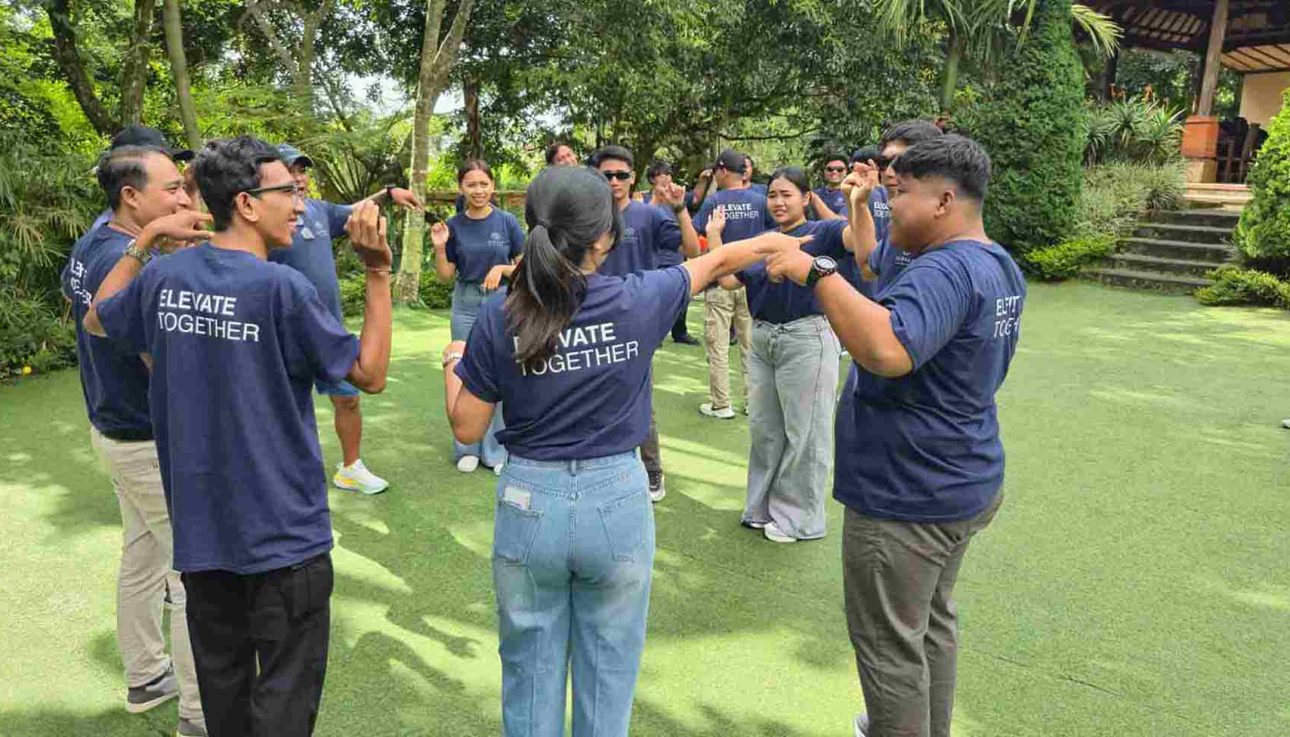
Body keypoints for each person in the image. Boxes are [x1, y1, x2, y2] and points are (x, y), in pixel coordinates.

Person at [441, 165, 808, 737]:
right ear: (605, 237)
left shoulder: (500, 315)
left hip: (528, 500)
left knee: (529, 669)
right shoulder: (639, 299)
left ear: (533, 227)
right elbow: (713, 262)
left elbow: (467, 425)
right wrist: (772, 241)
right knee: (609, 671)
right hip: (616, 501)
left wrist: (452, 361)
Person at [85, 136, 394, 737]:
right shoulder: (280, 289)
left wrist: (142, 244)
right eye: (289, 192)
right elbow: (370, 374)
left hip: (204, 544)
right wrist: (378, 273)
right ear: (248, 205)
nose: (300, 205)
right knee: (283, 707)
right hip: (285, 542)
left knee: (226, 708)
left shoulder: (165, 278)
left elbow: (99, 316)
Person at [759, 135, 1025, 737]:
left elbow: (887, 349)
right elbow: (880, 278)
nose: (888, 203)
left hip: (909, 492)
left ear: (944, 200)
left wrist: (817, 272)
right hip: (959, 478)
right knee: (929, 625)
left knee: (889, 652)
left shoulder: (947, 269)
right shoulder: (994, 261)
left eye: (899, 193)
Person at [61, 145, 207, 737]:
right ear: (131, 196)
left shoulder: (96, 241)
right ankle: (202, 714)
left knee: (143, 558)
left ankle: (147, 675)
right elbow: (157, 359)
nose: (181, 198)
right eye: (172, 187)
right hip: (144, 441)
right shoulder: (117, 257)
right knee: (194, 577)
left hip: (115, 430)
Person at [712, 166, 870, 543]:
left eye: (787, 194)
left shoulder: (824, 232)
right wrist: (714, 237)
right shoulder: (762, 239)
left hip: (807, 336)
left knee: (806, 432)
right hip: (763, 337)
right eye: (773, 195)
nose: (779, 202)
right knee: (765, 429)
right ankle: (762, 507)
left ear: (805, 197)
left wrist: (858, 204)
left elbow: (859, 244)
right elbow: (729, 279)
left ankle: (800, 520)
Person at [272, 143, 422, 494]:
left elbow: (356, 211)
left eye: (302, 171)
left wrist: (387, 193)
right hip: (282, 334)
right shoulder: (265, 220)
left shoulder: (320, 210)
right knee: (285, 406)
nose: (298, 178)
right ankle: (283, 473)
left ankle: (350, 467)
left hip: (328, 330)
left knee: (348, 397)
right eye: (289, 171)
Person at [591, 145, 701, 500]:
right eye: (607, 175)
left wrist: (680, 207)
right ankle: (606, 465)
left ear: (632, 178)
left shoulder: (648, 216)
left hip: (636, 316)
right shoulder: (587, 216)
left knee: (637, 394)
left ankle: (652, 471)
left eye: (621, 175)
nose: (614, 181)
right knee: (595, 394)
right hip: (593, 314)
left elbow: (693, 250)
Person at [430, 159, 525, 475]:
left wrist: (501, 268)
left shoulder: (508, 222)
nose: (478, 190)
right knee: (463, 370)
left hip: (502, 301)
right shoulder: (454, 225)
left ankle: (495, 450)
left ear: (493, 186)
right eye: (471, 184)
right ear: (462, 188)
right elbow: (445, 276)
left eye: (484, 184)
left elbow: (526, 269)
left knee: (501, 373)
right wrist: (441, 248)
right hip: (466, 303)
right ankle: (466, 448)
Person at [691, 149, 775, 419]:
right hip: (752, 281)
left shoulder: (713, 201)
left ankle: (721, 403)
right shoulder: (760, 201)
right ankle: (754, 402)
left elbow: (697, 232)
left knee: (717, 345)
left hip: (720, 281)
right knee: (751, 346)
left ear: (723, 171)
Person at [861, 120, 944, 294]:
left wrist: (815, 272)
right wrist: (858, 204)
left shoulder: (949, 250)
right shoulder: (901, 225)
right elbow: (868, 268)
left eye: (902, 163)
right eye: (884, 164)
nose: (889, 172)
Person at [91, 125, 195, 231]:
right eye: (160, 160)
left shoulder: (142, 228)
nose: (172, 167)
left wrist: (192, 190)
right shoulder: (110, 235)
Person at [645, 160, 700, 346]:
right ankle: (654, 332)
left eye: (669, 173)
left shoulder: (676, 199)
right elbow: (642, 220)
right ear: (652, 178)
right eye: (662, 173)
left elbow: (697, 198)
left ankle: (680, 332)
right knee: (654, 299)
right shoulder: (643, 199)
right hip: (654, 259)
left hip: (676, 256)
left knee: (682, 295)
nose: (667, 177)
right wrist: (655, 199)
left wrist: (702, 180)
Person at [810, 154, 851, 220]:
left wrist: (815, 200)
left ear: (846, 171)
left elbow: (841, 223)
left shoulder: (851, 195)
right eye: (830, 169)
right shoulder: (815, 193)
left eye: (840, 169)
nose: (834, 172)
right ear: (824, 171)